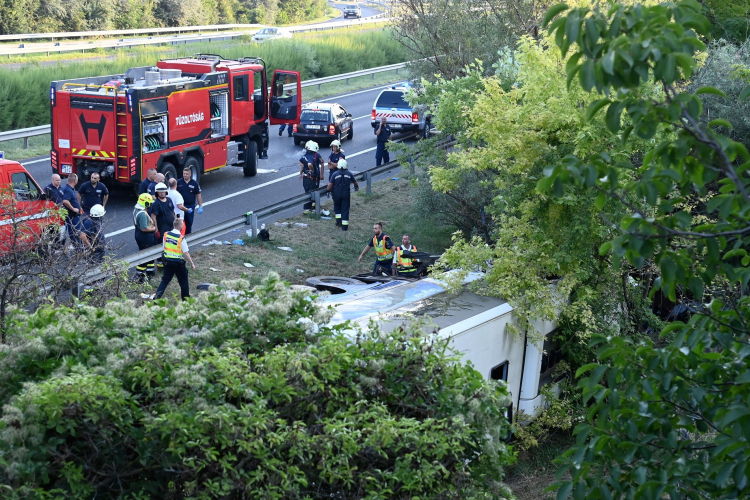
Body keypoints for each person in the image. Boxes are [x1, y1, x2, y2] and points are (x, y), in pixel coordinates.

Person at [153, 218, 195, 301]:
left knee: (165, 280)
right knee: (183, 282)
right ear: (180, 226)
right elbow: (186, 253)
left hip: (167, 261)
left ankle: (156, 298)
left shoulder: (166, 235)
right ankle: (185, 300)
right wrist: (192, 263)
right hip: (178, 263)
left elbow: (164, 247)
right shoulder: (181, 238)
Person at [326, 159, 358, 231]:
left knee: (337, 207)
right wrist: (356, 187)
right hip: (346, 194)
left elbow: (330, 184)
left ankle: (338, 222)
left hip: (336, 194)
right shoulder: (349, 174)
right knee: (345, 209)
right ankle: (345, 227)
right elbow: (355, 183)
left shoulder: (335, 174)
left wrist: (327, 190)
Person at [133, 193, 157, 280]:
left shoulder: (137, 209)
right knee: (145, 255)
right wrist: (154, 229)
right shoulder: (142, 214)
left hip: (139, 235)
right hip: (145, 236)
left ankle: (150, 272)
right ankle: (140, 275)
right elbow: (144, 228)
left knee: (149, 253)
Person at [298, 140, 324, 213]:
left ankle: (310, 208)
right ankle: (310, 208)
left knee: (308, 193)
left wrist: (300, 174)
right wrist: (319, 173)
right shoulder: (316, 155)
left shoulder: (305, 156)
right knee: (313, 193)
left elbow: (302, 164)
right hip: (313, 179)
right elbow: (321, 164)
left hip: (307, 178)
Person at [176, 167, 203, 235]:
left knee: (189, 221)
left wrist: (200, 206)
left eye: (186, 174)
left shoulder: (195, 184)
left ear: (190, 174)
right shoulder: (179, 182)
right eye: (184, 173)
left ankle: (188, 234)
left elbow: (198, 194)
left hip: (190, 205)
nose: (185, 175)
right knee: (181, 221)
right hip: (181, 206)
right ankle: (181, 234)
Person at [62, 173, 84, 246]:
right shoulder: (68, 190)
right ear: (75, 181)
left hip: (72, 216)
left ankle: (77, 247)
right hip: (73, 216)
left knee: (74, 233)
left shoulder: (68, 188)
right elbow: (65, 201)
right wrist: (73, 208)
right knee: (76, 233)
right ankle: (78, 248)